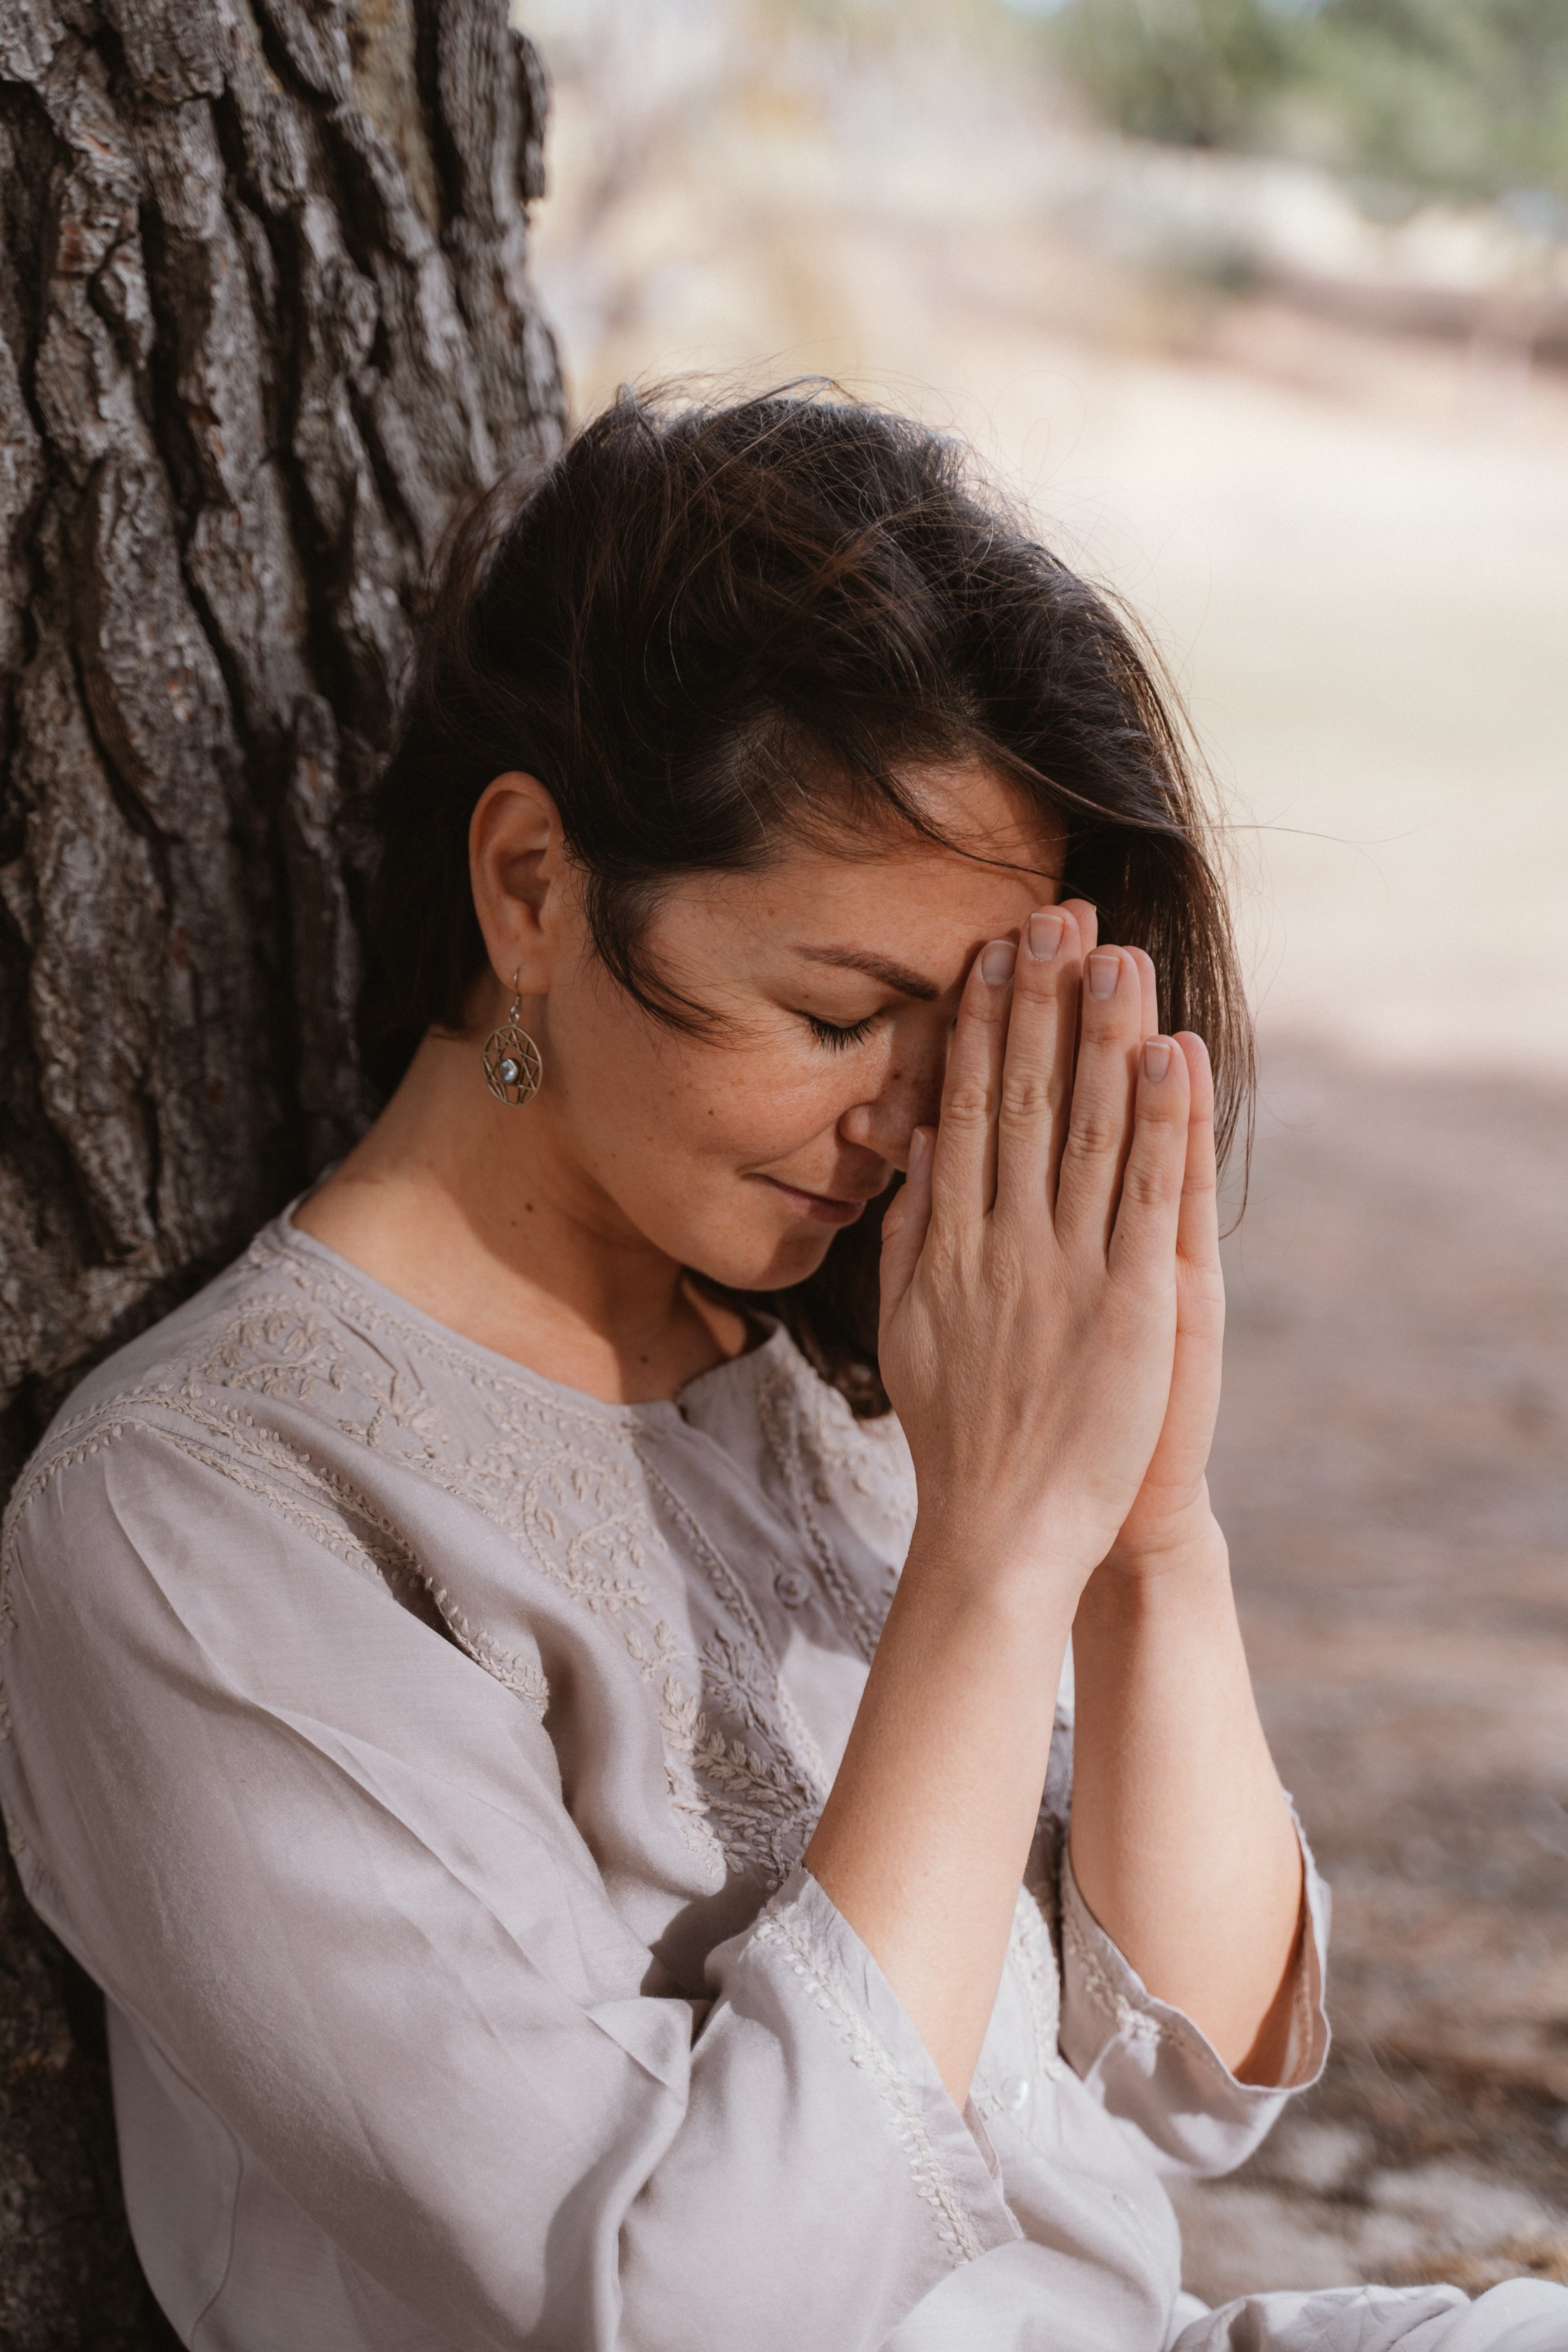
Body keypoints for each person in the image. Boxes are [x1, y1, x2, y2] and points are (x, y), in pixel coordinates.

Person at [1, 391, 1560, 2352]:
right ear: (533, 887)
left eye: (964, 1037)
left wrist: (1147, 1529)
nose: (908, 1126)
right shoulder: (202, 1522)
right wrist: (993, 1554)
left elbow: (1195, 2077)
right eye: (837, 1016)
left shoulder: (843, 1375)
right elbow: (706, 2317)